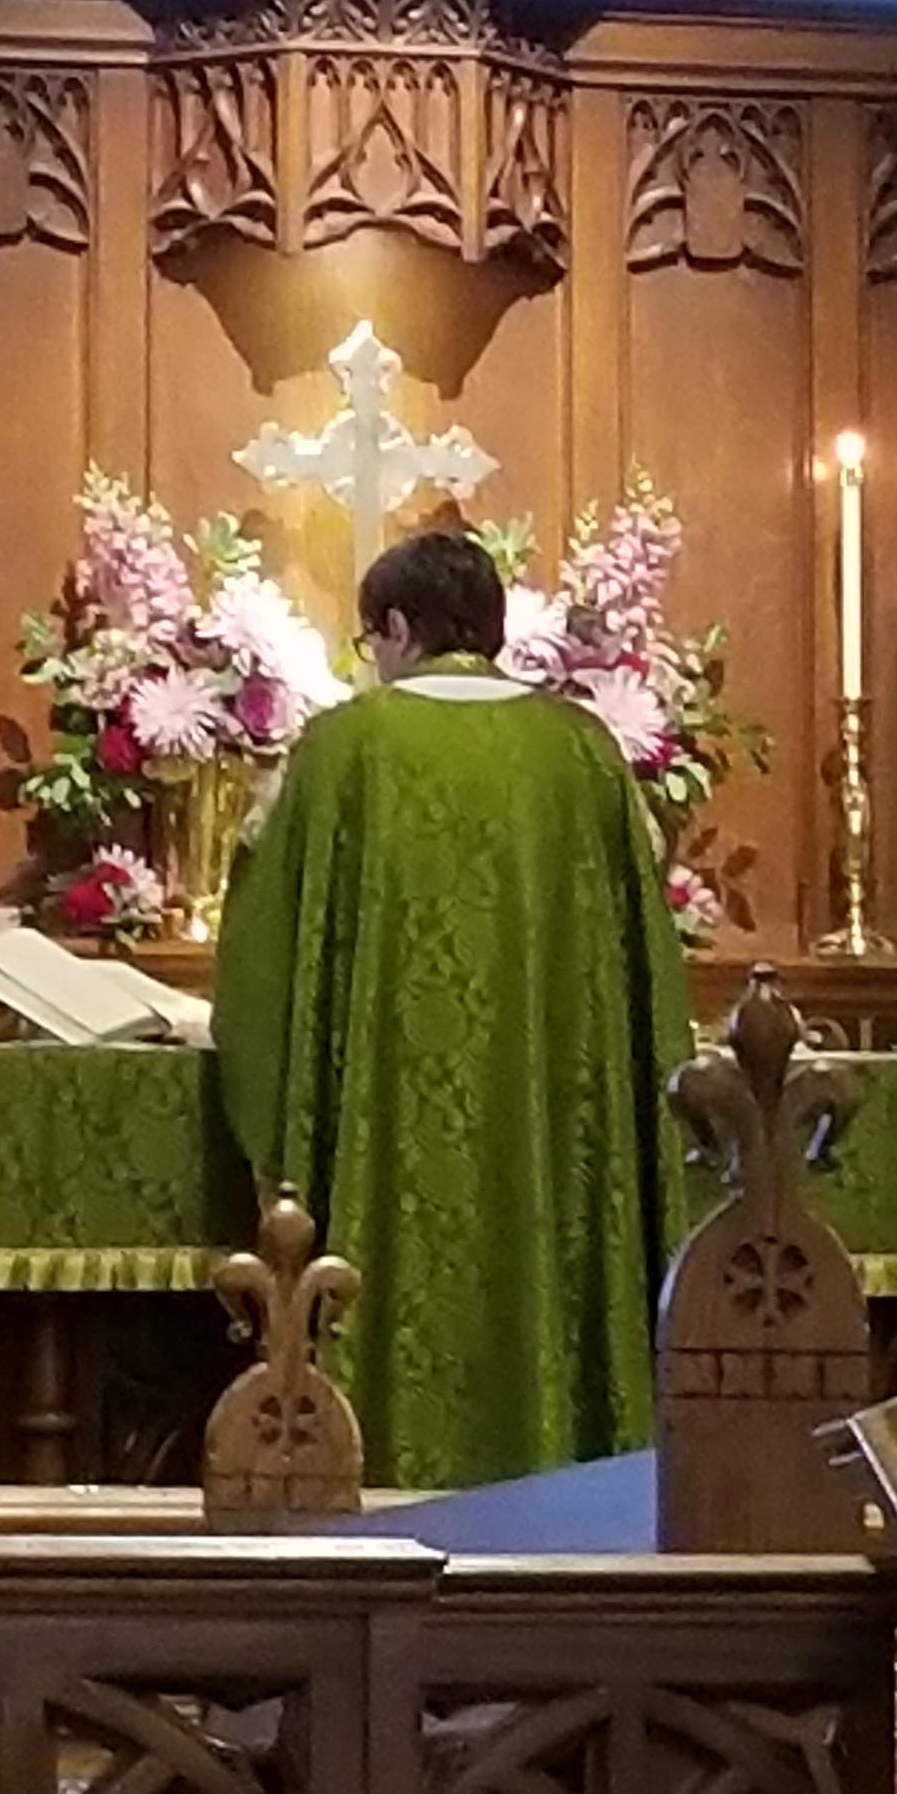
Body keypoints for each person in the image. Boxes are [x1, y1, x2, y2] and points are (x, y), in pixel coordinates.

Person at [212, 529, 692, 1498]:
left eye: (368, 640)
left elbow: (260, 951)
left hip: (383, 1149)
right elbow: (653, 967)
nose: (372, 662)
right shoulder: (584, 753)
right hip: (553, 1146)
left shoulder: (347, 749)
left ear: (396, 628)